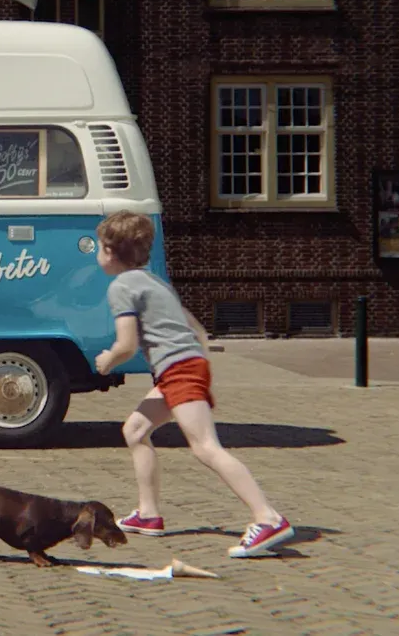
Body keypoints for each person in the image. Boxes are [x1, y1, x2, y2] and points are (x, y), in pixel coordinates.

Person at [92, 210, 294, 559]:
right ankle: (148, 515)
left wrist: (107, 360)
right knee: (135, 431)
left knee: (205, 447)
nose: (96, 253)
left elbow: (126, 345)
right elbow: (194, 325)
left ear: (110, 251)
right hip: (181, 369)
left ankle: (268, 518)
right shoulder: (153, 281)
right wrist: (196, 358)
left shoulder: (121, 287)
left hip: (180, 371)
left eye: (98, 247)